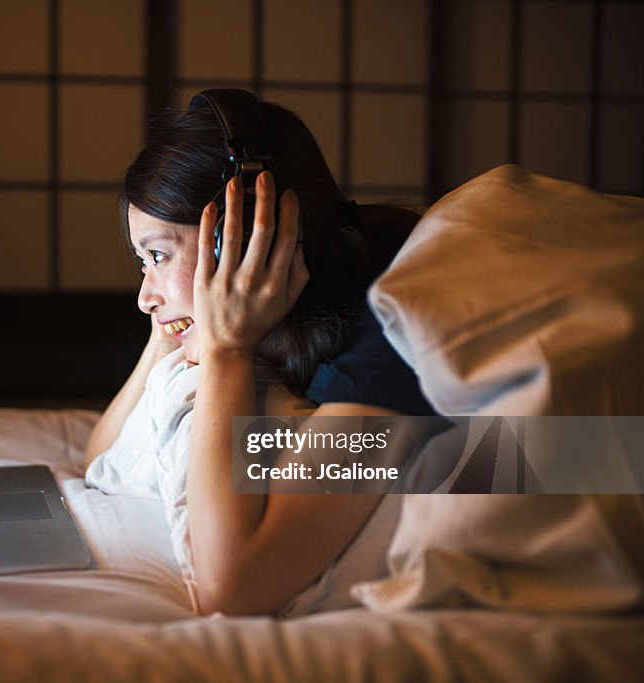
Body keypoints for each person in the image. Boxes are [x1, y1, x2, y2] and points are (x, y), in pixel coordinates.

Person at [84, 91, 435, 617]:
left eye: (157, 255)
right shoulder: (299, 311)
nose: (143, 294)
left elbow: (234, 587)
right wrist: (170, 328)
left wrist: (226, 348)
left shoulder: (382, 340)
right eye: (143, 262)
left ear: (247, 242)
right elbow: (100, 460)